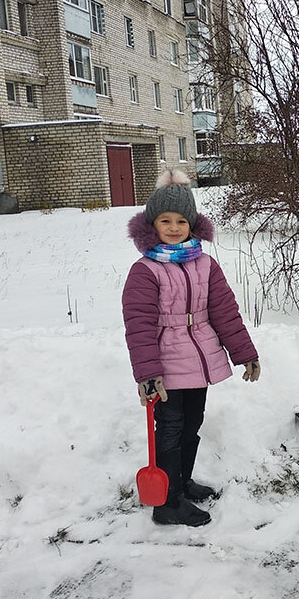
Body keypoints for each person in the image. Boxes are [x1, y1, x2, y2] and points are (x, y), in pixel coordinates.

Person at [122, 169, 261, 527]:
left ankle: (180, 483)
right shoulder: (145, 270)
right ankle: (167, 504)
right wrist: (148, 374)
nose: (173, 227)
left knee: (191, 425)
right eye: (165, 220)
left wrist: (245, 353)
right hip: (165, 367)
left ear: (192, 224)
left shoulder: (205, 263)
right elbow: (138, 327)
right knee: (169, 428)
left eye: (181, 220)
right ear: (152, 224)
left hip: (199, 362)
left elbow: (225, 312)